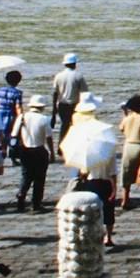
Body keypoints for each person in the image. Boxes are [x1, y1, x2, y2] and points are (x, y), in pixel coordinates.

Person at [59, 95, 120, 247]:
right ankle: (109, 236)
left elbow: (82, 170)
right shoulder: (107, 150)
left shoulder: (81, 147)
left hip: (90, 182)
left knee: (92, 210)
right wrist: (114, 189)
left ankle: (94, 233)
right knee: (108, 211)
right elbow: (113, 172)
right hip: (105, 182)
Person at [11, 95, 55, 212]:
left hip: (25, 150)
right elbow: (49, 138)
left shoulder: (22, 117)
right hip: (39, 151)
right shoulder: (44, 119)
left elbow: (14, 134)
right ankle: (36, 204)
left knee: (26, 175)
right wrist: (52, 152)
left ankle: (21, 195)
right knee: (39, 179)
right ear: (42, 107)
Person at [52, 54, 88, 134]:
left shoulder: (58, 76)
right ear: (75, 64)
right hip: (75, 106)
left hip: (62, 106)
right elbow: (85, 93)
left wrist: (54, 110)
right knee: (75, 127)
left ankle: (61, 145)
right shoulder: (78, 76)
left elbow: (55, 93)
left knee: (64, 126)